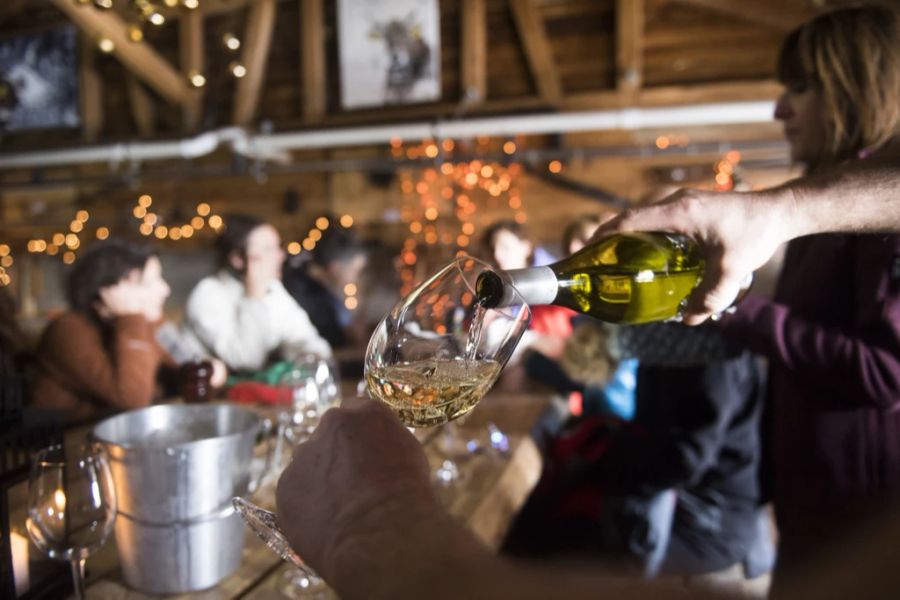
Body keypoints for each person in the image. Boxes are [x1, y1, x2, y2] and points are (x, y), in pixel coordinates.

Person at [30, 239, 176, 421]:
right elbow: (133, 398)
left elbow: (184, 363)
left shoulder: (140, 322)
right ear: (110, 291)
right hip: (65, 442)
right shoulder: (67, 330)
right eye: (150, 282)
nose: (165, 289)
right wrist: (131, 316)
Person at [181, 213, 331, 372]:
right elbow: (246, 361)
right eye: (268, 249)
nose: (280, 255)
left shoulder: (273, 289)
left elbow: (306, 338)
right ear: (237, 259)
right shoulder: (208, 293)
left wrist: (311, 353)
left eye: (278, 247)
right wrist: (254, 295)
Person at [283, 225, 367, 350]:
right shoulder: (300, 292)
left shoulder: (325, 285)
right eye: (355, 270)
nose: (356, 277)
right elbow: (330, 343)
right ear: (335, 267)